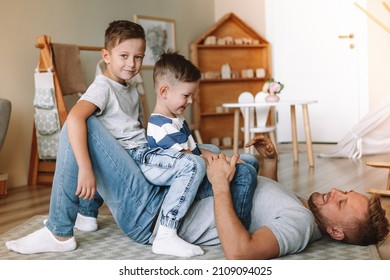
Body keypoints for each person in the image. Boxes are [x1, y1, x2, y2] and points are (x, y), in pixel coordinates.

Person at [5, 20, 258, 257]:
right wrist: (85, 169)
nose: (132, 63)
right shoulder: (103, 87)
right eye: (124, 56)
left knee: (207, 149)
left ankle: (87, 213)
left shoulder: (130, 87)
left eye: (138, 57)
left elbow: (134, 129)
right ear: (106, 56)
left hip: (139, 153)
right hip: (132, 158)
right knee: (81, 120)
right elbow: (75, 120)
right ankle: (60, 230)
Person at [201, 135, 390, 259]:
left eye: (341, 202)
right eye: (345, 192)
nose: (335, 191)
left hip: (191, 204)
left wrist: (220, 184)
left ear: (336, 232)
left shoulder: (302, 223)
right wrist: (270, 160)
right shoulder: (310, 208)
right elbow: (268, 204)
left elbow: (240, 253)